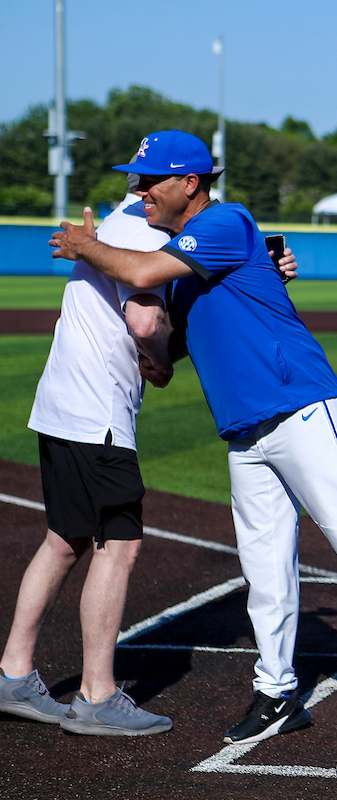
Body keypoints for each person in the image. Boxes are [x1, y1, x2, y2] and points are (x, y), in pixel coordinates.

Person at [47, 130, 337, 747]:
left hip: (300, 406)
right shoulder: (187, 266)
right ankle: (277, 690)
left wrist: (87, 245)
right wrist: (155, 357)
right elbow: (168, 359)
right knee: (264, 569)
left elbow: (141, 268)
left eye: (148, 179)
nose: (138, 190)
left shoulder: (226, 221)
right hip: (243, 428)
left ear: (190, 183)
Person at [0, 179, 177, 736]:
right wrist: (162, 358)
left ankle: (12, 674)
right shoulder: (143, 235)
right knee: (119, 546)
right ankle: (97, 696)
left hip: (59, 408)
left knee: (65, 539)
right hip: (97, 414)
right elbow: (146, 323)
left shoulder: (115, 226)